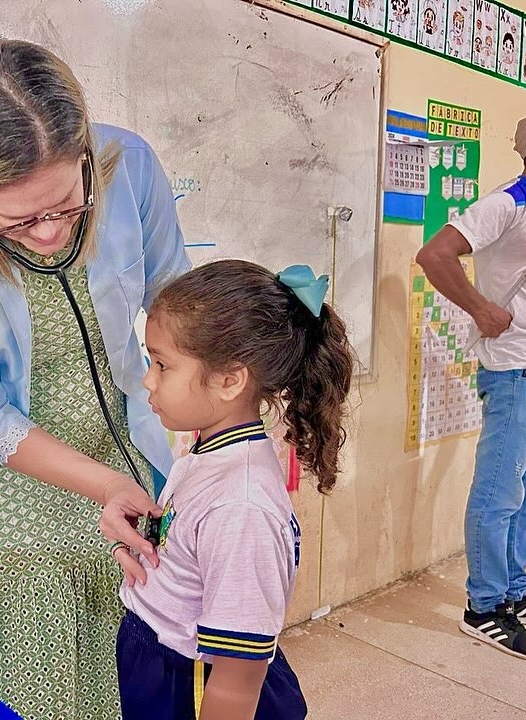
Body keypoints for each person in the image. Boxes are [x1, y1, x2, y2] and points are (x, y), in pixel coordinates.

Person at [0, 39, 190, 720]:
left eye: (66, 204)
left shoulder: (130, 166)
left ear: (85, 154)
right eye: (21, 220)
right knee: (21, 573)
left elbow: (179, 305)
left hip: (119, 433)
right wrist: (107, 485)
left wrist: (218, 432)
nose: (53, 234)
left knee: (137, 596)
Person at [106, 260, 354, 720]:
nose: (147, 379)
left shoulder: (242, 507)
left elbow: (237, 685)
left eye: (162, 364)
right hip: (162, 663)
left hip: (195, 686)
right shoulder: (209, 449)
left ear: (229, 380)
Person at [417, 99, 526, 662]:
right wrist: (480, 309)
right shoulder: (506, 203)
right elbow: (435, 254)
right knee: (498, 495)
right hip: (518, 371)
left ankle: (515, 591)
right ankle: (484, 606)